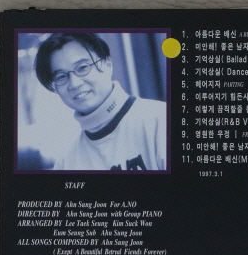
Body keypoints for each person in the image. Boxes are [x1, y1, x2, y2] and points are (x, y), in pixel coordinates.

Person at [35, 33, 166, 171]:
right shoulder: (66, 162)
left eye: (82, 68)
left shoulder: (160, 120)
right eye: (61, 77)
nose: (74, 84)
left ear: (108, 64)